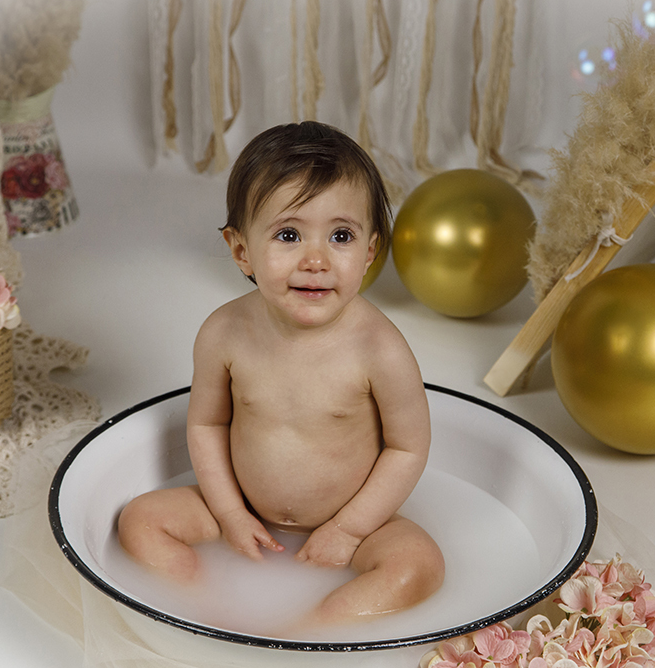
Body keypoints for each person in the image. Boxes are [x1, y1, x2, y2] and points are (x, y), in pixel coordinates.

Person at [117, 121, 444, 627]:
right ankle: (204, 607)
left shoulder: (380, 349)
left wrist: (349, 530)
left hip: (357, 523)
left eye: (341, 236)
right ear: (241, 249)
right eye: (288, 235)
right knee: (139, 521)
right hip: (242, 508)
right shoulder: (224, 333)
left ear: (370, 252)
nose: (315, 260)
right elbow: (207, 425)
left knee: (417, 566)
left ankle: (315, 627)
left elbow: (407, 448)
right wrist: (228, 514)